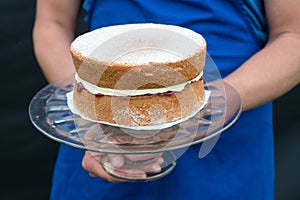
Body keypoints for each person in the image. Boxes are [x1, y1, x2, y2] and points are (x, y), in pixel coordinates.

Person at [32, 0, 300, 199]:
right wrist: (92, 108)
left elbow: (293, 35)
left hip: (227, 149)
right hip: (100, 142)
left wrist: (223, 97)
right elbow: (51, 24)